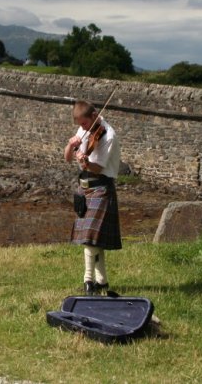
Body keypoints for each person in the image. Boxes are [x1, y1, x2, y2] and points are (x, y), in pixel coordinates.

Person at [64, 100, 122, 295]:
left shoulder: (109, 136)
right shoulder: (84, 130)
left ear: (94, 115)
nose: (82, 129)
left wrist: (86, 162)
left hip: (101, 187)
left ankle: (88, 281)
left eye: (84, 124)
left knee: (89, 238)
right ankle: (102, 282)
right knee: (96, 241)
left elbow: (98, 168)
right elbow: (67, 158)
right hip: (85, 188)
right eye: (79, 125)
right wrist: (71, 146)